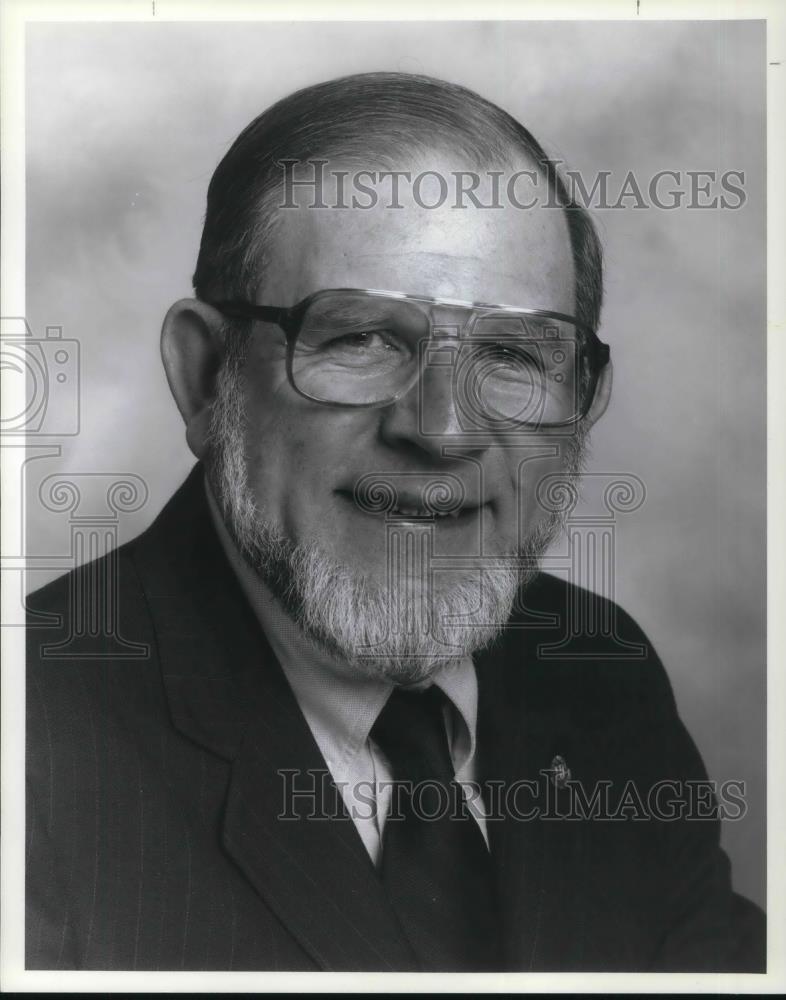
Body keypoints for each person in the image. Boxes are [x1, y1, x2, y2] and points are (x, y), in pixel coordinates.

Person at [25, 72, 765, 972]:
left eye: (511, 353)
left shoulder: (599, 677)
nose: (443, 430)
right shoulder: (30, 746)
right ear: (205, 372)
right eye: (363, 339)